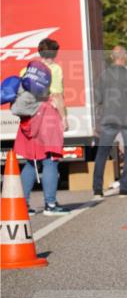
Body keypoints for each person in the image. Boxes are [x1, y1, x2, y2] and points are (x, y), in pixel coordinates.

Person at [15, 45, 67, 215]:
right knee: (50, 160)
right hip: (47, 116)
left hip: (29, 118)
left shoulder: (26, 69)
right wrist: (64, 118)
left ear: (40, 52)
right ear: (56, 53)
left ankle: (23, 205)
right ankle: (50, 205)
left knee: (31, 161)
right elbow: (57, 95)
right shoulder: (54, 69)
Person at [93, 46, 127, 199]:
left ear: (112, 57)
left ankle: (98, 190)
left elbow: (98, 99)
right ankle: (124, 188)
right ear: (126, 57)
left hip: (110, 117)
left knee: (102, 153)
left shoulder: (104, 75)